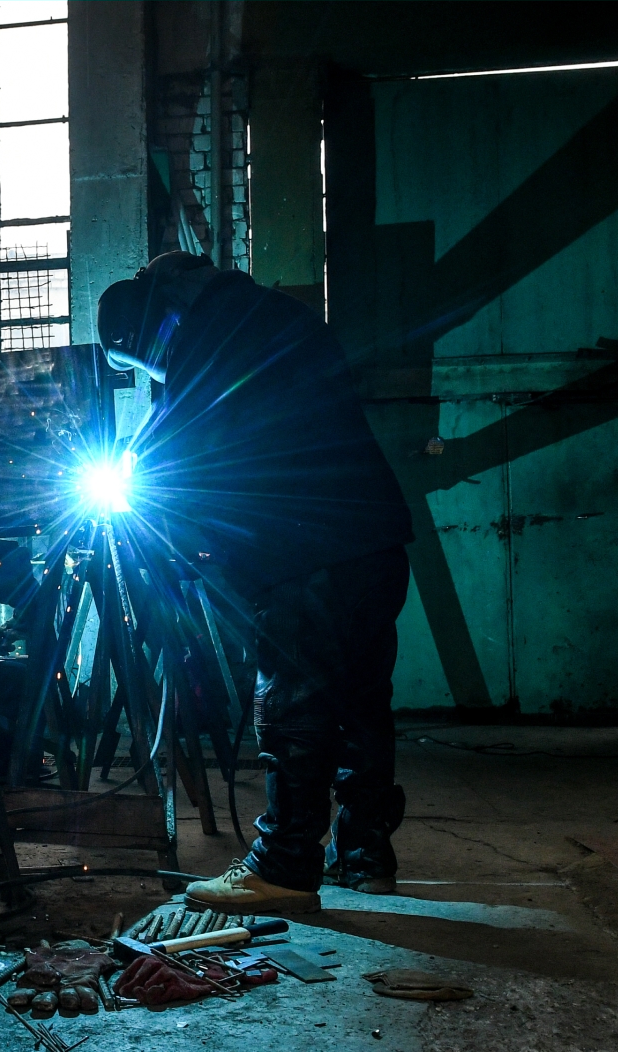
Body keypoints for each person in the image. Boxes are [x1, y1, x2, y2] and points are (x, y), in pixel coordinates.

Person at [96, 252, 413, 914]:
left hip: (308, 555)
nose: (154, 377)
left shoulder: (211, 330)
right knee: (360, 705)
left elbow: (178, 435)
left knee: (294, 708)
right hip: (374, 541)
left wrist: (129, 470)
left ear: (147, 330)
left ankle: (284, 869)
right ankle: (364, 855)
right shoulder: (270, 313)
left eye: (144, 366)